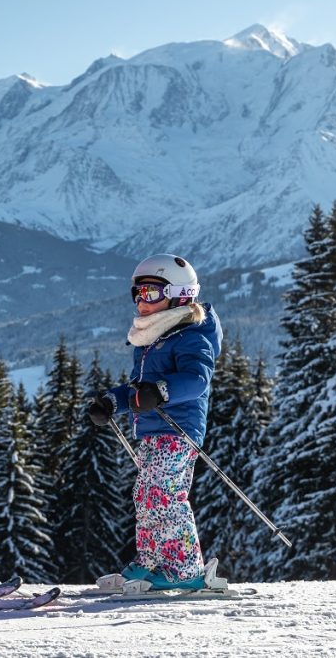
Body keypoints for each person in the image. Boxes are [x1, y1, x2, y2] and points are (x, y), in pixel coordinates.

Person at [86, 253, 223, 591]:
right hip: (152, 431)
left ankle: (187, 570)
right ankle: (151, 562)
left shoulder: (192, 336)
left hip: (179, 430)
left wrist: (160, 392)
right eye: (138, 294)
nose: (141, 302)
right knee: (146, 495)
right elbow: (137, 388)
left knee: (165, 494)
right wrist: (113, 401)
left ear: (179, 295)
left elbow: (197, 380)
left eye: (151, 293)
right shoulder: (153, 340)